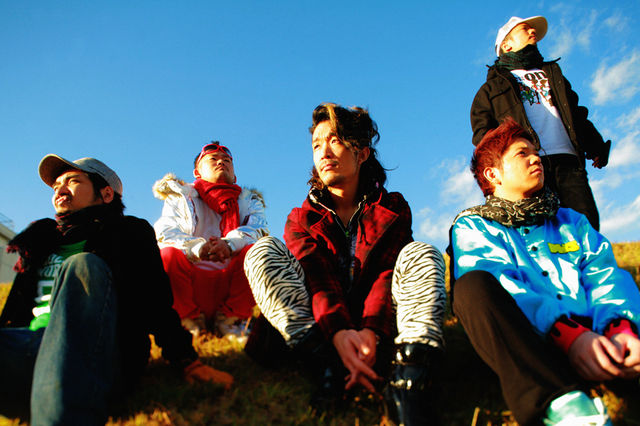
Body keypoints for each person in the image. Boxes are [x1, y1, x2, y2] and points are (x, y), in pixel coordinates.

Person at [243, 103, 447, 425]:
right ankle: (327, 365)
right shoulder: (302, 217)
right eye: (316, 145)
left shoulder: (393, 208)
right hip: (319, 326)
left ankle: (410, 379)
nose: (324, 153)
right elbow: (317, 278)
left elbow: (385, 274)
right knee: (263, 250)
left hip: (378, 327)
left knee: (421, 253)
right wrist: (337, 333)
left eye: (335, 141)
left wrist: (372, 332)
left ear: (362, 153)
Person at [0, 154, 233, 425]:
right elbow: (15, 310)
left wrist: (186, 360)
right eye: (56, 186)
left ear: (106, 193)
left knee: (83, 266)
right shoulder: (38, 240)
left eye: (73, 181)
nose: (60, 189)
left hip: (100, 354)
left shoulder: (129, 232)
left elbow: (155, 302)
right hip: (28, 346)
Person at [449, 118, 640, 425]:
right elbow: (501, 284)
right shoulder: (474, 226)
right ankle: (562, 404)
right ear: (492, 174)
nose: (536, 158)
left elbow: (604, 275)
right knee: (472, 286)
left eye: (536, 152)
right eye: (522, 153)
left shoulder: (571, 221)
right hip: (534, 344)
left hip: (599, 337)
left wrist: (620, 327)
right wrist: (568, 335)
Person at [470, 15, 611, 230]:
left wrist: (595, 145)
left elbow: (576, 113)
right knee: (539, 227)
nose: (532, 31)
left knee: (585, 223)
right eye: (524, 29)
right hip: (527, 166)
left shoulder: (553, 74)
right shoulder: (491, 88)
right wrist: (498, 168)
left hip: (568, 160)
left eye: (531, 29)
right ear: (507, 45)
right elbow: (483, 134)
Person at [153, 141, 268, 336]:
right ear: (197, 172)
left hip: (232, 287)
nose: (221, 162)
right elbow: (166, 232)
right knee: (167, 255)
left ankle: (232, 322)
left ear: (234, 175)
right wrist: (197, 248)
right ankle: (189, 325)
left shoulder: (249, 201)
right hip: (190, 286)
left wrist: (229, 244)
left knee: (260, 250)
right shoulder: (180, 197)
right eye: (213, 159)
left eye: (227, 161)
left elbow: (258, 231)